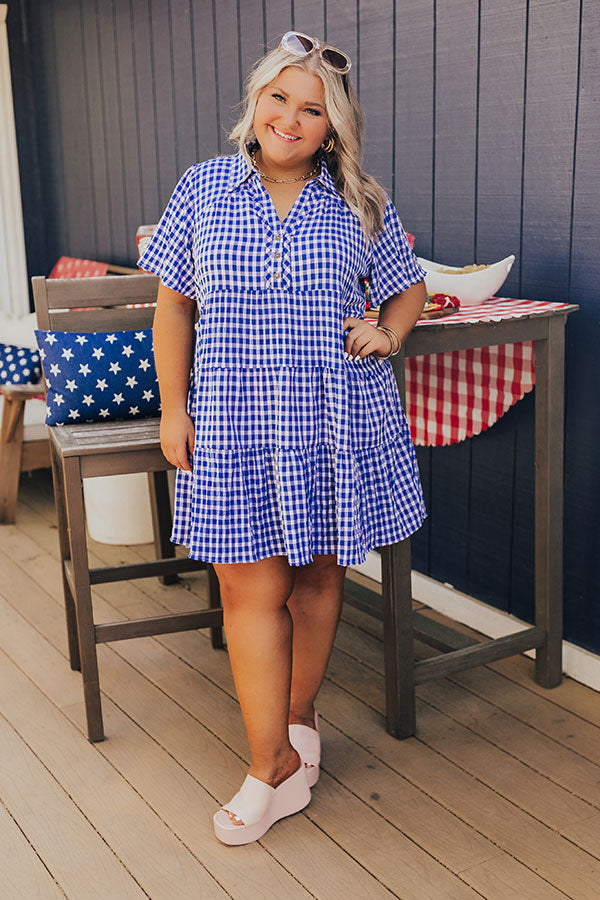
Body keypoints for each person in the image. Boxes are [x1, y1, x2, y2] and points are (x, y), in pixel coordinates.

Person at [137, 30, 427, 846]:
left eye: (313, 110)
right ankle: (267, 766)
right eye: (279, 99)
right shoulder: (202, 189)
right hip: (229, 421)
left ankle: (298, 731)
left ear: (332, 128)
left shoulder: (362, 201)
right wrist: (172, 406)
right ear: (255, 104)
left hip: (329, 425)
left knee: (314, 580)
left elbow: (409, 290)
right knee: (248, 592)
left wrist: (387, 331)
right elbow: (173, 306)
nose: (291, 119)